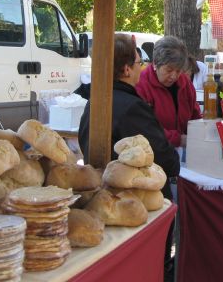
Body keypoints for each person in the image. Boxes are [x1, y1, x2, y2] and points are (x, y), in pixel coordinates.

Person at [77, 34, 180, 200]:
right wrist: (174, 158)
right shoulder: (132, 108)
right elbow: (165, 159)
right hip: (133, 200)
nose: (142, 67)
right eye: (139, 63)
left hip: (103, 195)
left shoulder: (94, 101)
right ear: (127, 69)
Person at [136, 36, 201, 148]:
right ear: (156, 64)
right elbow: (144, 128)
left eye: (178, 70)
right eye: (169, 70)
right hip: (152, 153)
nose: (174, 76)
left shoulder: (185, 83)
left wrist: (200, 132)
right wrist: (178, 139)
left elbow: (195, 116)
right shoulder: (142, 85)